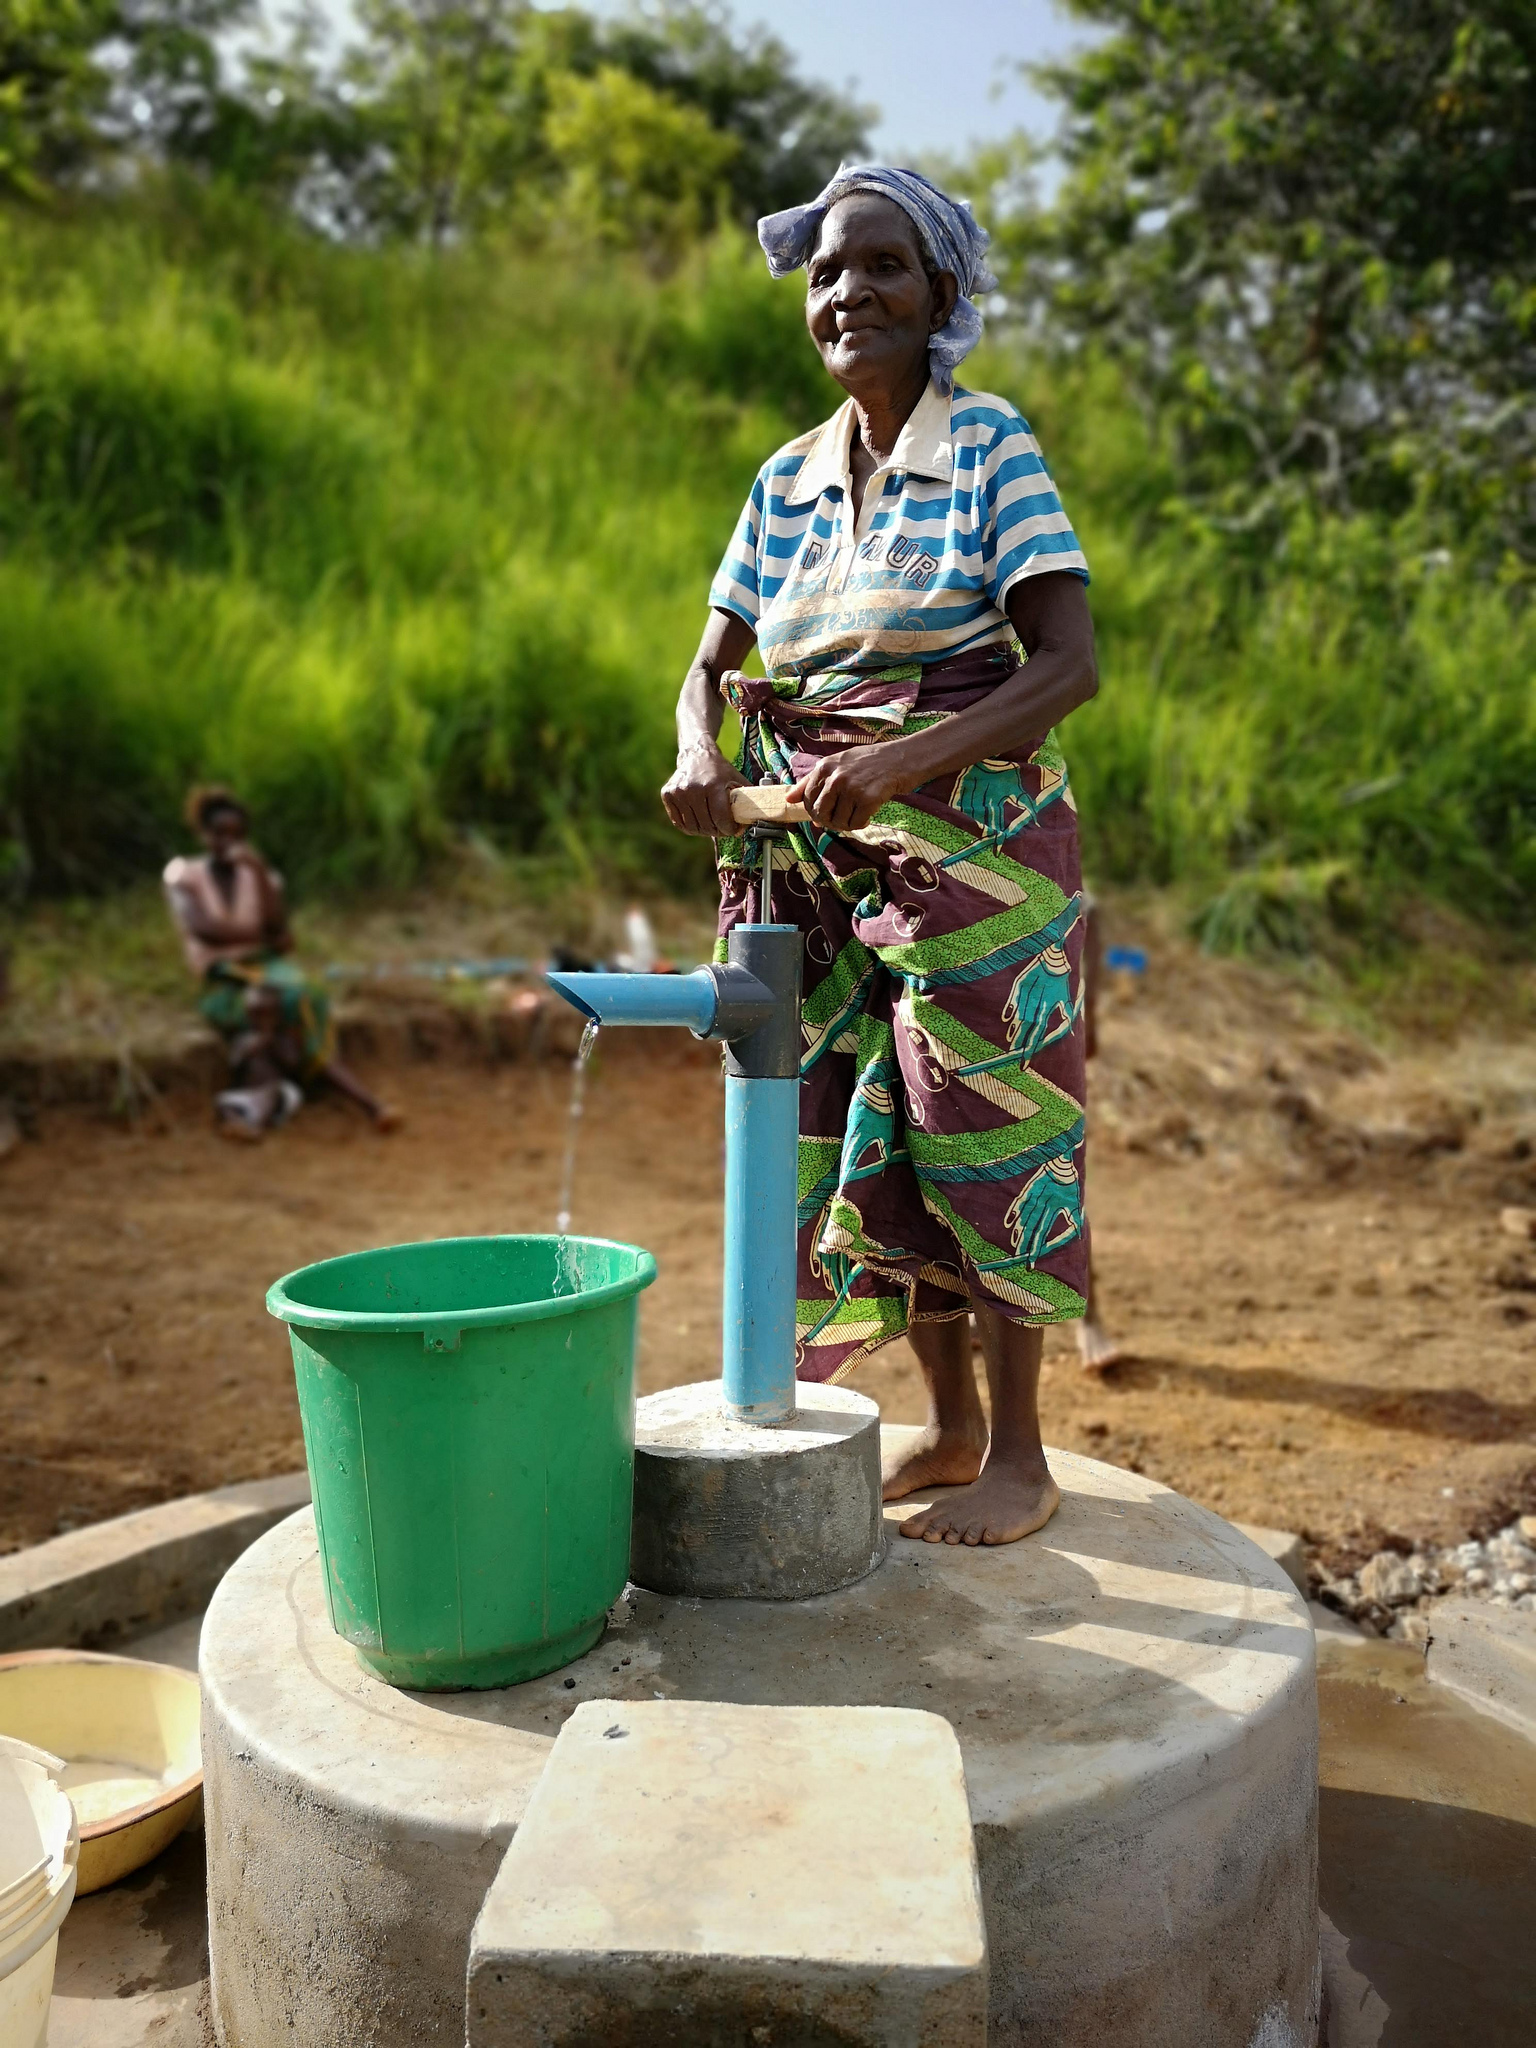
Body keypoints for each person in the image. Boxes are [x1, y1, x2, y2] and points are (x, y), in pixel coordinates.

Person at [662, 166, 1098, 1547]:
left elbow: (1068, 663)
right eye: (827, 273)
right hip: (823, 851)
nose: (849, 293)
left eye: (883, 267)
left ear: (941, 297)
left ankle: (1020, 1457)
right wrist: (697, 750)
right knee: (872, 1124)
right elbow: (710, 660)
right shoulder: (784, 479)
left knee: (984, 1124)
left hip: (981, 853)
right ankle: (950, 1423)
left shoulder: (990, 449)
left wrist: (904, 763)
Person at [163, 787, 399, 1137]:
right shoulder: (181, 874)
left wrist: (257, 872)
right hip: (222, 978)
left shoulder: (262, 877)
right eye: (219, 833)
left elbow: (282, 934)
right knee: (276, 1005)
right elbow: (204, 931)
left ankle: (251, 1112)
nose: (228, 842)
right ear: (203, 834)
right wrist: (259, 936)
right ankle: (366, 1103)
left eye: (237, 835)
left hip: (267, 970)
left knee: (290, 1008)